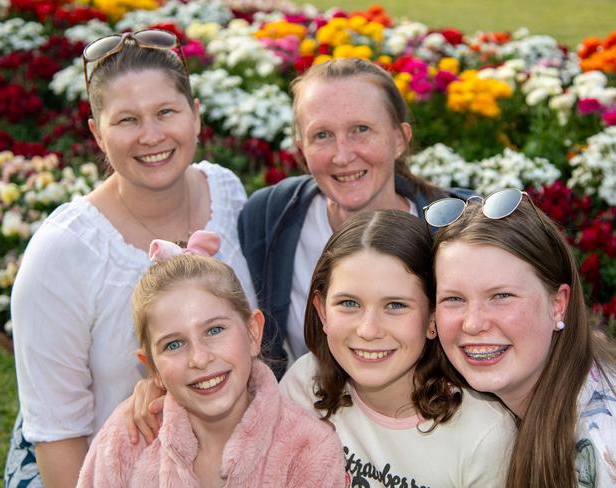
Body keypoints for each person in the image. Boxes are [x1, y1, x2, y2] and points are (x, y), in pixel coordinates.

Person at [4, 29, 255, 488]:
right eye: (127, 120)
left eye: (165, 112)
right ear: (97, 133)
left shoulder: (227, 194)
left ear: (196, 116)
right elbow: (59, 437)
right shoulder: (62, 254)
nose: (152, 136)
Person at [238, 57, 472, 374]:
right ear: (301, 150)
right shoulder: (269, 215)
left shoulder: (456, 228)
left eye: (360, 130)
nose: (342, 155)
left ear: (399, 139)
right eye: (322, 135)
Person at [77, 237, 346, 487]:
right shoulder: (124, 441)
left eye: (214, 330)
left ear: (253, 332)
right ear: (152, 368)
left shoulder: (309, 448)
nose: (200, 358)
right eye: (174, 344)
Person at [279, 209, 516, 487]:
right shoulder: (305, 386)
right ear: (322, 313)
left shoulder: (483, 436)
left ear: (432, 318)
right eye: (349, 303)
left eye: (395, 305)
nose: (368, 330)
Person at [427, 188, 616, 488]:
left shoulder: (602, 446)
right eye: (453, 299)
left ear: (558, 304)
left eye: (501, 296)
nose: (474, 323)